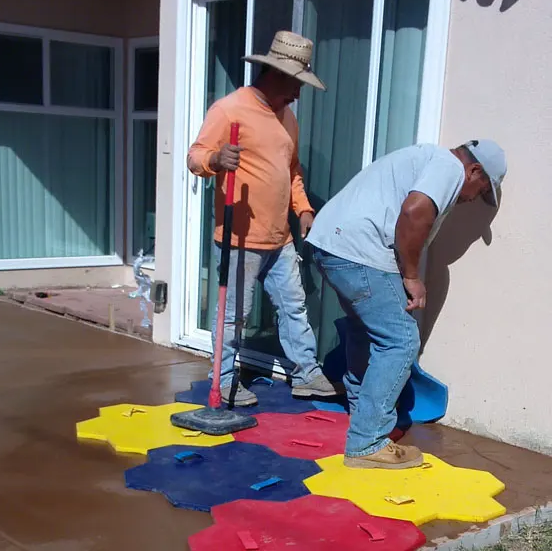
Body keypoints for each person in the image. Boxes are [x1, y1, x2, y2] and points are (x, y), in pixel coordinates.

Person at [306, 139, 507, 469]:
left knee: (365, 330)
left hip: (331, 245)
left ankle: (362, 413)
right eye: (482, 189)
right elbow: (415, 212)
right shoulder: (448, 168)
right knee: (400, 340)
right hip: (360, 250)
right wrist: (412, 275)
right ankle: (368, 441)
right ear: (474, 170)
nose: (472, 199)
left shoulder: (426, 158)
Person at [187, 30, 343, 407]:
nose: (298, 94)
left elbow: (292, 172)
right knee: (233, 316)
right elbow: (195, 156)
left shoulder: (287, 117)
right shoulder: (229, 110)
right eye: (296, 84)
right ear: (276, 75)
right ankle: (223, 382)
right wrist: (215, 160)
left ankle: (306, 374)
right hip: (240, 237)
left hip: (280, 238)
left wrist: (303, 209)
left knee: (294, 307)